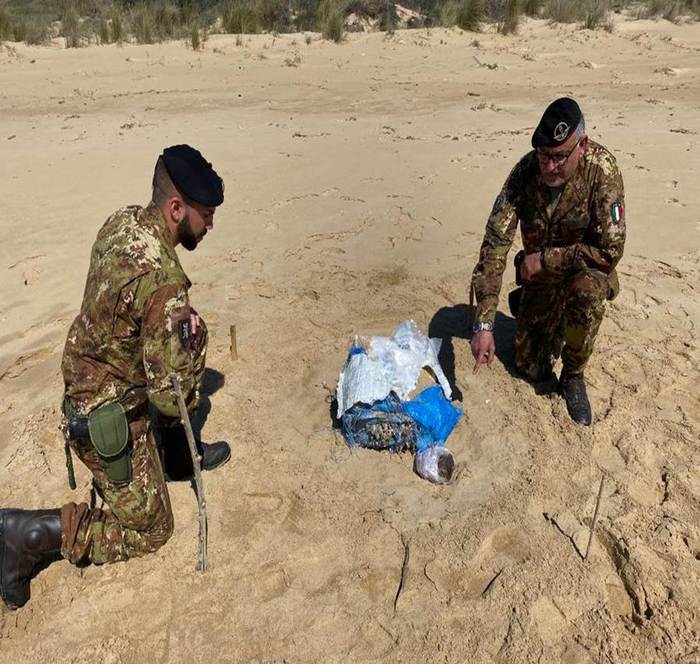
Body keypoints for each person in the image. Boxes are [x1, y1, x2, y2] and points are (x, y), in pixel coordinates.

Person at [0, 145, 231, 609]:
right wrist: (192, 347)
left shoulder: (123, 223)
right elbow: (171, 399)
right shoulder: (165, 282)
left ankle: (171, 459)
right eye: (205, 216)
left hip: (92, 378)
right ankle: (25, 534)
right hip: (103, 418)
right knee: (152, 530)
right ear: (176, 208)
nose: (209, 227)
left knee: (154, 355)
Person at [469, 98, 626, 425]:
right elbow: (495, 244)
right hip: (538, 278)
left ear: (581, 146)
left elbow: (609, 251)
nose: (549, 167)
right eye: (544, 156)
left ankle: (573, 373)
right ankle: (530, 307)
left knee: (588, 293)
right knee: (529, 367)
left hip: (583, 273)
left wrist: (548, 259)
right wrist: (484, 324)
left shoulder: (603, 172)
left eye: (558, 157)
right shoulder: (526, 172)